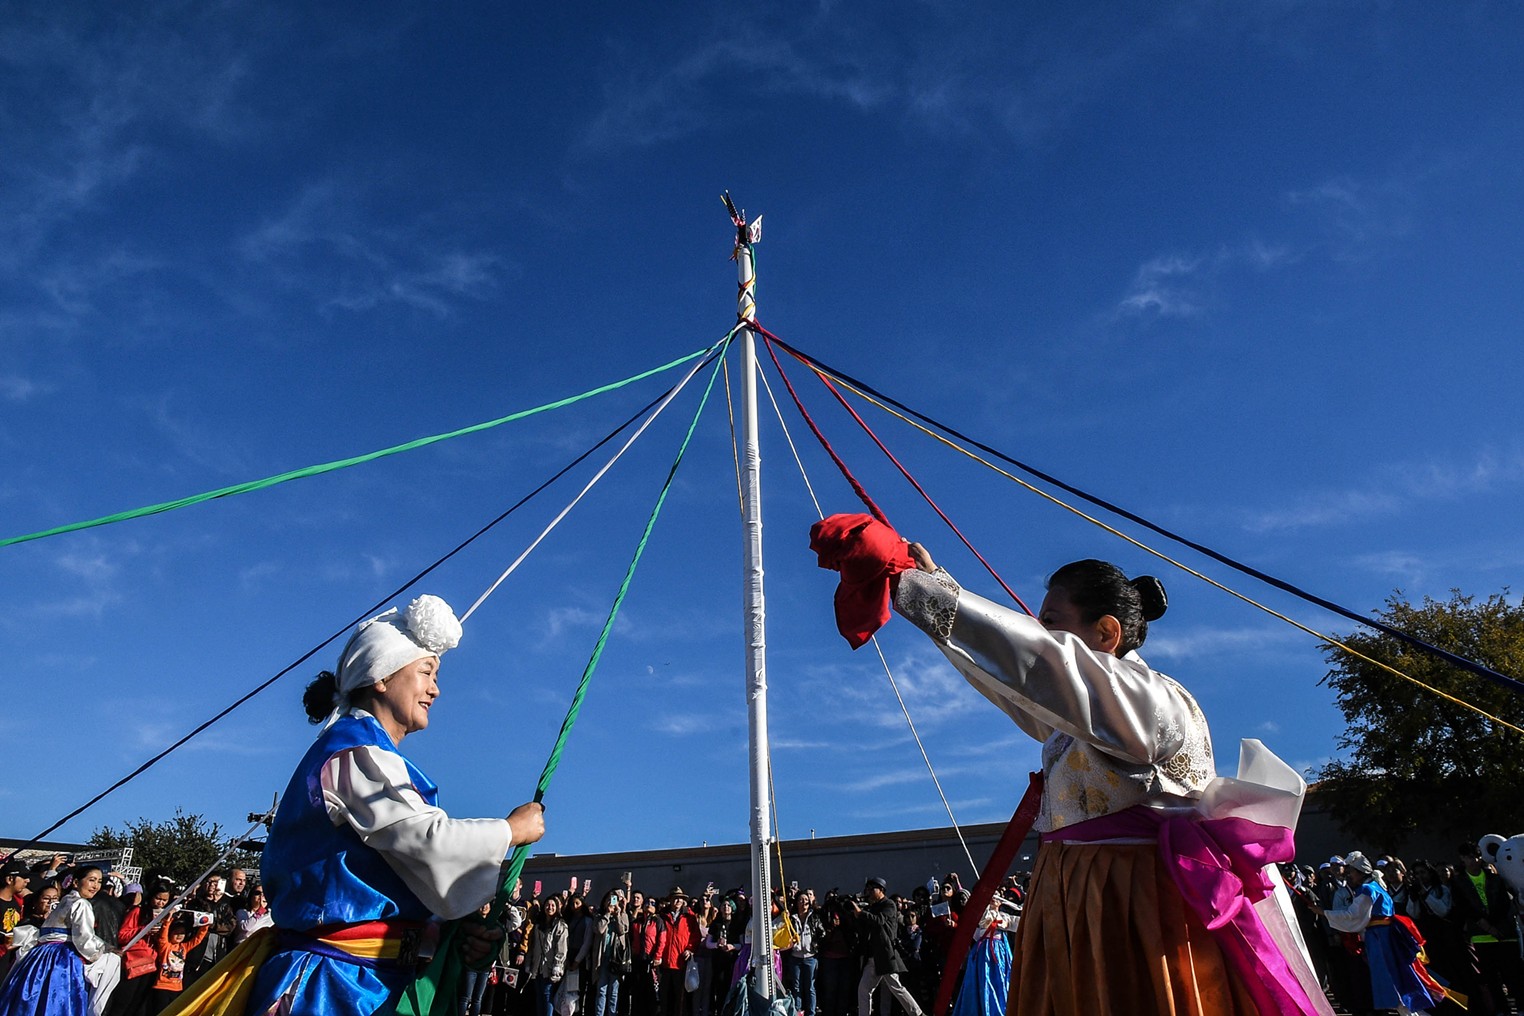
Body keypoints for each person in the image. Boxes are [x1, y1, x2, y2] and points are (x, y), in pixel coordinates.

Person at [892, 547, 1329, 1016]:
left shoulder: (1150, 699)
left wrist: (925, 594)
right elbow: (1009, 680)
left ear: (1105, 632)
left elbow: (1041, 665)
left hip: (1130, 896)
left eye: (1053, 622)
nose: (1041, 634)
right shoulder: (1081, 716)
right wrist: (933, 589)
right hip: (1076, 891)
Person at [183, 593, 552, 1015]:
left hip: (366, 980)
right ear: (381, 676)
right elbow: (425, 840)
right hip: (328, 985)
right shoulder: (353, 754)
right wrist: (511, 830)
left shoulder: (366, 755)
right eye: (426, 672)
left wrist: (446, 931)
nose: (436, 688)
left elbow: (388, 882)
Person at [0, 865, 114, 1016]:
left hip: (40, 955)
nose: (96, 886)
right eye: (91, 880)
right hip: (62, 958)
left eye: (99, 881)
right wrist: (104, 952)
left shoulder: (66, 900)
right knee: (58, 1000)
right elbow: (84, 940)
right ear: (75, 882)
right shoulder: (81, 904)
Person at [849, 878, 923, 1016]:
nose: (870, 892)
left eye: (873, 889)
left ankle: (917, 1013)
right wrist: (857, 915)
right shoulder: (872, 907)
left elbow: (879, 920)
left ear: (881, 890)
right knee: (864, 989)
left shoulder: (889, 905)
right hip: (873, 956)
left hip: (885, 954)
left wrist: (861, 913)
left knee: (896, 987)